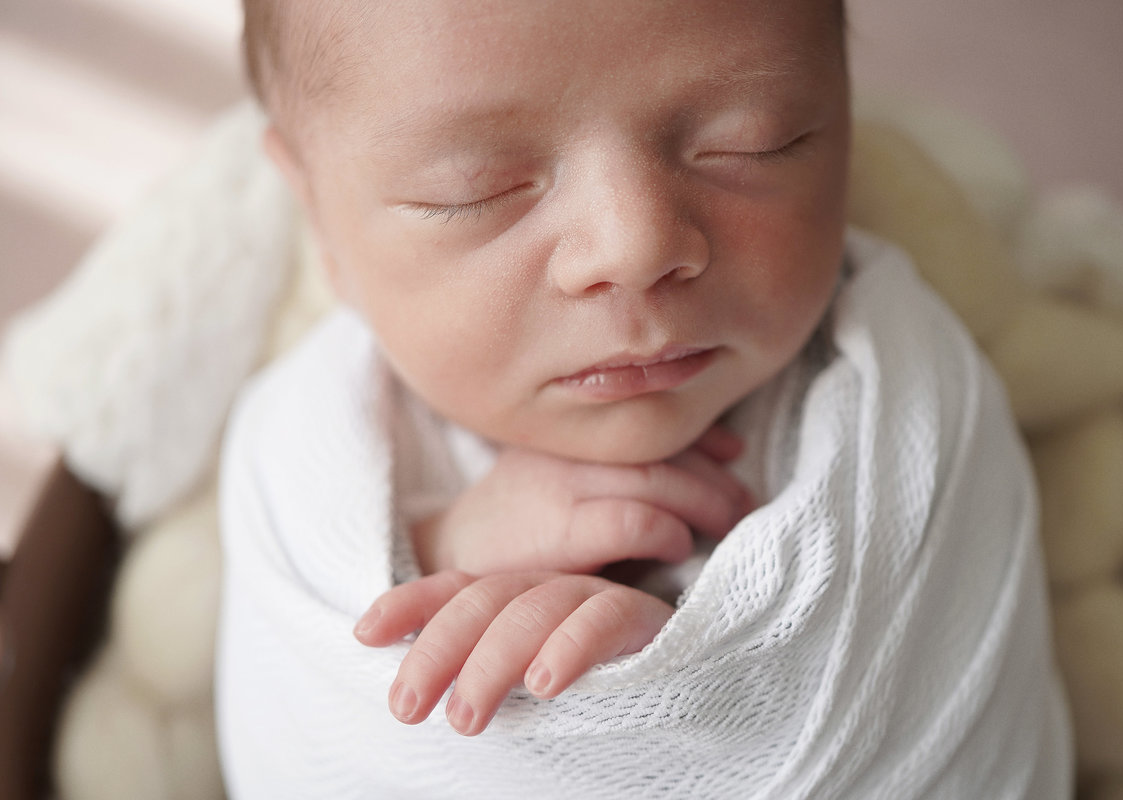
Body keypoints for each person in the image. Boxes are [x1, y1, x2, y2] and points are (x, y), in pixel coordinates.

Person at [216, 1, 1072, 797]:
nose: (635, 245)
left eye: (753, 143)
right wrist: (445, 549)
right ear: (318, 217)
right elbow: (314, 725)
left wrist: (683, 674)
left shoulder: (899, 395)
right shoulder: (309, 450)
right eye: (472, 190)